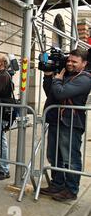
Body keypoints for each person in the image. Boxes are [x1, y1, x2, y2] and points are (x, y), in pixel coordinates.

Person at [40, 49, 91, 202]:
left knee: (70, 158)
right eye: (69, 60)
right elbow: (51, 92)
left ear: (84, 63)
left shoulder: (85, 78)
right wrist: (49, 76)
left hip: (71, 123)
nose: (69, 63)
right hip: (57, 120)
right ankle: (57, 184)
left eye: (74, 62)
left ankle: (71, 190)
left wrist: (57, 80)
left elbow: (61, 93)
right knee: (54, 155)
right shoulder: (65, 75)